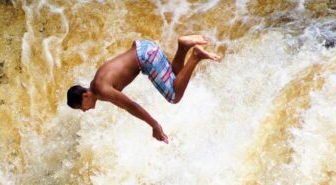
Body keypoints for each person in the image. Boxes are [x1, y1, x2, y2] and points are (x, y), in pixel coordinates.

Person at [66, 35, 221, 143]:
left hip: (145, 57)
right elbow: (126, 106)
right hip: (144, 47)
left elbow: (132, 106)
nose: (84, 111)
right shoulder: (97, 82)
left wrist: (155, 126)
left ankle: (195, 55)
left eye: (81, 107)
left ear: (85, 96)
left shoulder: (102, 90)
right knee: (175, 78)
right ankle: (183, 46)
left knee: (174, 96)